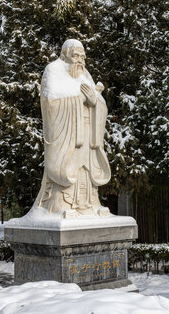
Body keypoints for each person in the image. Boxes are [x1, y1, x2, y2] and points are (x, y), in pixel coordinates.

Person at [33, 39, 111, 217]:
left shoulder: (85, 75)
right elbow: (50, 101)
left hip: (87, 133)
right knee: (70, 166)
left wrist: (95, 101)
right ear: (64, 55)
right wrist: (80, 99)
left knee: (87, 168)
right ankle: (60, 203)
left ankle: (90, 203)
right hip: (67, 134)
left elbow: (100, 103)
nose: (80, 61)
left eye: (83, 57)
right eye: (76, 56)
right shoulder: (53, 70)